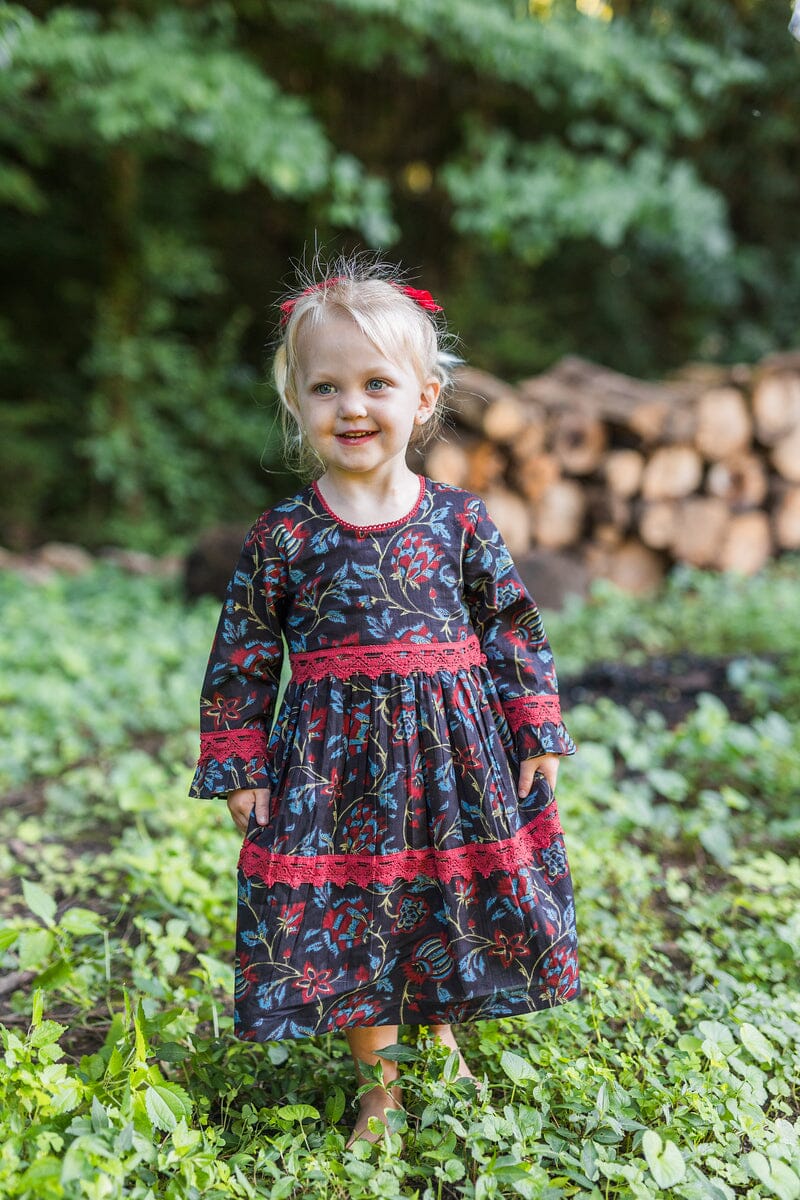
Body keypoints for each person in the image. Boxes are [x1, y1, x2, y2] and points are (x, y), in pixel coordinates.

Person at [189, 255, 580, 1147]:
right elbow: (243, 658)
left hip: (453, 760)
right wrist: (238, 763)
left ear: (426, 398)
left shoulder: (460, 520)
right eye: (325, 388)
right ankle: (381, 1085)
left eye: (375, 384)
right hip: (335, 770)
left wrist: (537, 726)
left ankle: (441, 1043)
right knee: (361, 912)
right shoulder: (284, 535)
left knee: (446, 902)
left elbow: (512, 628)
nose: (352, 407)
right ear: (298, 404)